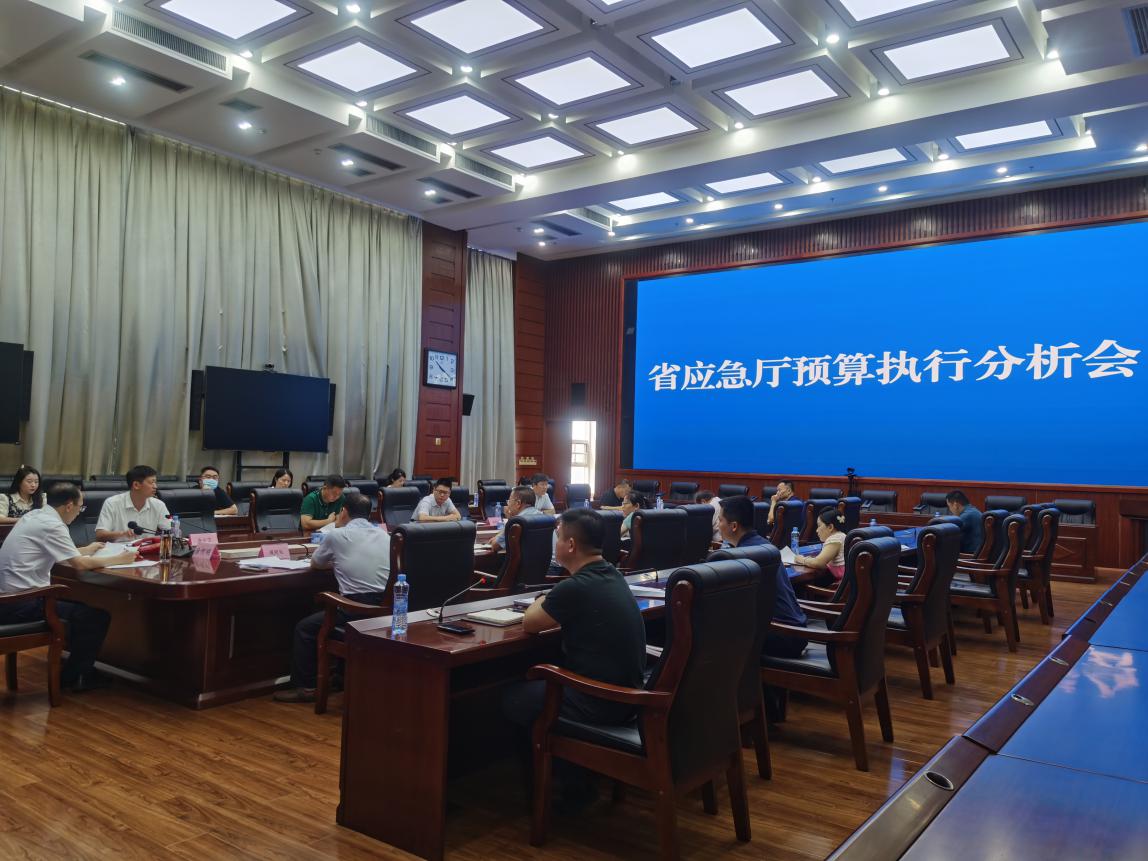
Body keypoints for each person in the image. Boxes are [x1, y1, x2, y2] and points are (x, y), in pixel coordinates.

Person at [505, 507, 646, 728]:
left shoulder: (575, 586)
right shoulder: (613, 573)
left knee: (513, 698)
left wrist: (545, 596)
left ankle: (545, 749)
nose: (555, 543)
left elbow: (530, 622)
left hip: (599, 701)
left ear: (570, 545)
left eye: (558, 537)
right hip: (628, 698)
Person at [0, 482, 137, 691]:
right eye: (81, 507)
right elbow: (79, 565)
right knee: (95, 617)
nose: (79, 513)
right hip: (20, 603)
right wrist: (121, 559)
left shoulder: (35, 516)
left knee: (81, 609)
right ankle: (74, 677)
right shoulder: (53, 525)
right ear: (69, 505)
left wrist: (86, 549)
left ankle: (75, 668)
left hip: (10, 599)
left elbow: (59, 553)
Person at [274, 493, 390, 704]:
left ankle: (307, 687)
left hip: (357, 609)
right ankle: (341, 676)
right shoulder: (384, 535)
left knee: (305, 628)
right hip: (384, 608)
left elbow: (316, 564)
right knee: (323, 615)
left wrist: (337, 560)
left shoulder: (337, 535)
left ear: (343, 512)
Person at [717, 495, 807, 658]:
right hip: (795, 632)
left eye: (720, 520)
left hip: (781, 635)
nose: (718, 525)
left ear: (734, 526)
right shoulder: (765, 545)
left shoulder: (743, 555)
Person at [95, 465, 171, 541]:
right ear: (136, 485)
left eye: (155, 482)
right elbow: (100, 535)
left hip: (146, 547)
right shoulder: (112, 503)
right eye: (151, 482)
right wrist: (122, 534)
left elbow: (171, 531)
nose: (155, 486)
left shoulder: (159, 505)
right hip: (119, 547)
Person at [792, 507, 848, 580]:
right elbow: (824, 564)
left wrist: (801, 559)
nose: (817, 530)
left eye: (819, 526)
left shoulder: (835, 539)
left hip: (844, 584)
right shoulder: (842, 536)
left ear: (830, 527)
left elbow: (818, 563)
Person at [946, 490, 984, 554]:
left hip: (970, 555)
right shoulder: (973, 511)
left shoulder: (966, 516)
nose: (950, 510)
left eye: (949, 506)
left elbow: (948, 533)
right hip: (976, 552)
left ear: (955, 505)